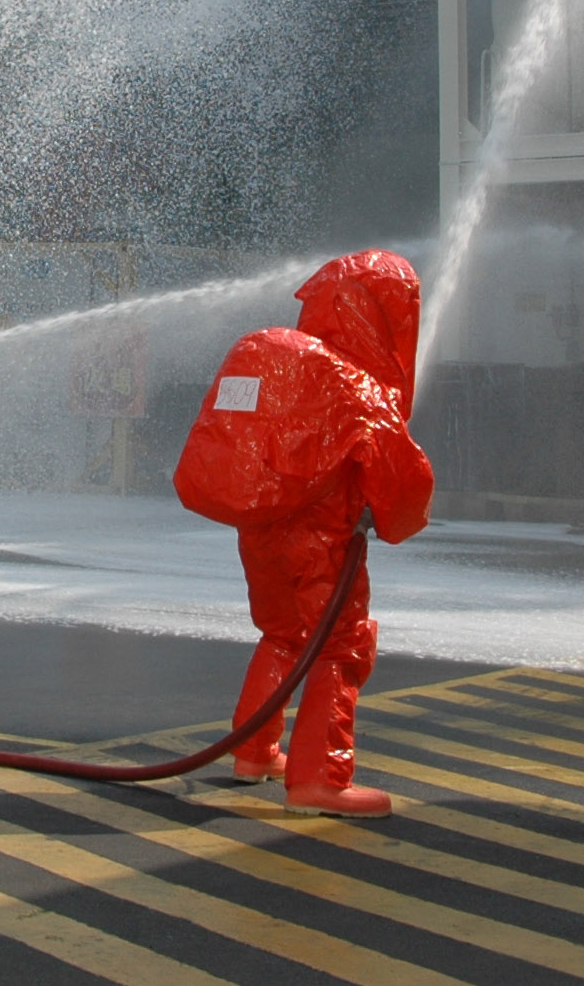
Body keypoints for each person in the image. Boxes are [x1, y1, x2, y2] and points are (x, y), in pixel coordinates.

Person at [173, 249, 434, 818]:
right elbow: (404, 486)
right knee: (339, 646)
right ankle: (321, 779)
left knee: (282, 634)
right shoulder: (353, 385)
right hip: (321, 541)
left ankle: (254, 752)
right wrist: (391, 519)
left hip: (260, 531)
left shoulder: (277, 360)